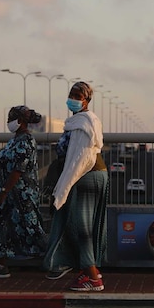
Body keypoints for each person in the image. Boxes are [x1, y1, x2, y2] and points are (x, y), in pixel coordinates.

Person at [43, 81, 108, 291]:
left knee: (82, 228)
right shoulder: (85, 120)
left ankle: (94, 278)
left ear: (86, 100)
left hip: (86, 176)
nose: (73, 98)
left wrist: (62, 190)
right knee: (82, 224)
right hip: (93, 175)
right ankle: (86, 270)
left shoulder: (82, 124)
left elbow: (79, 160)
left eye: (78, 95)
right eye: (71, 94)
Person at [0, 105, 47, 278]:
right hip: (5, 193)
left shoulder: (26, 141)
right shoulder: (14, 140)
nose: (8, 122)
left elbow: (18, 170)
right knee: (1, 225)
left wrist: (4, 191)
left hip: (21, 194)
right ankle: (2, 265)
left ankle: (54, 260)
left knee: (31, 226)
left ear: (20, 121)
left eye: (11, 119)